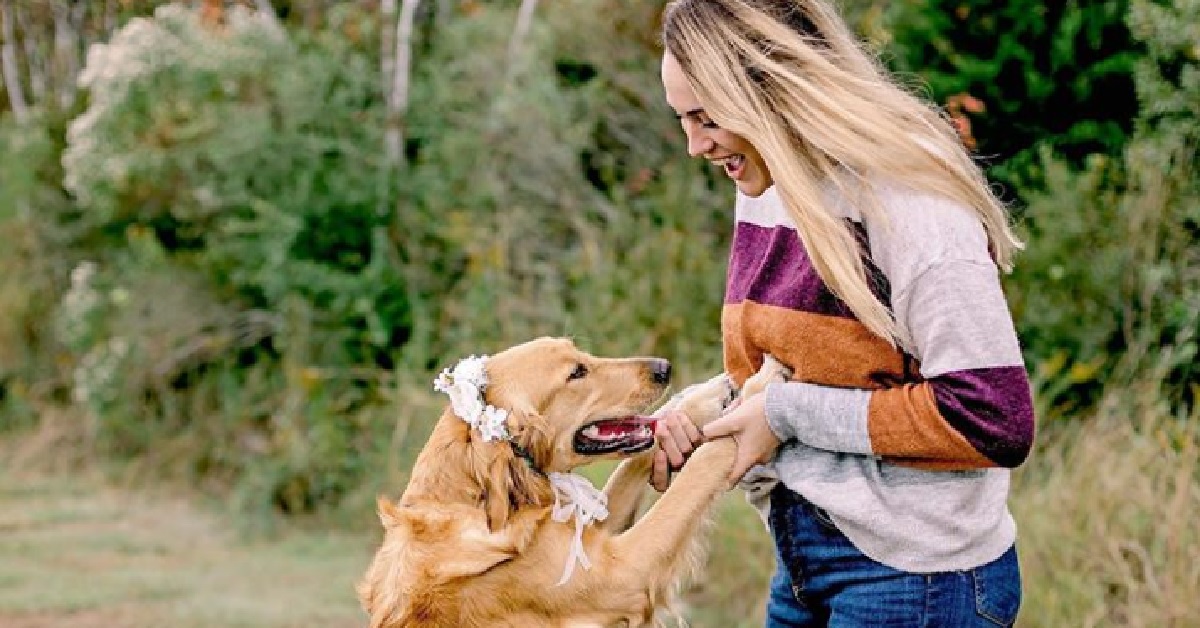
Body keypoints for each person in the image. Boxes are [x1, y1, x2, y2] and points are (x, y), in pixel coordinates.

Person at [648, 1, 1036, 626]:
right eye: (683, 120)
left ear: (768, 89)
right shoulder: (771, 186)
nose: (695, 145)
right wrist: (701, 412)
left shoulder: (908, 201)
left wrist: (783, 414)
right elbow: (791, 377)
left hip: (918, 579)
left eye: (705, 116)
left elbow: (994, 419)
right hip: (803, 562)